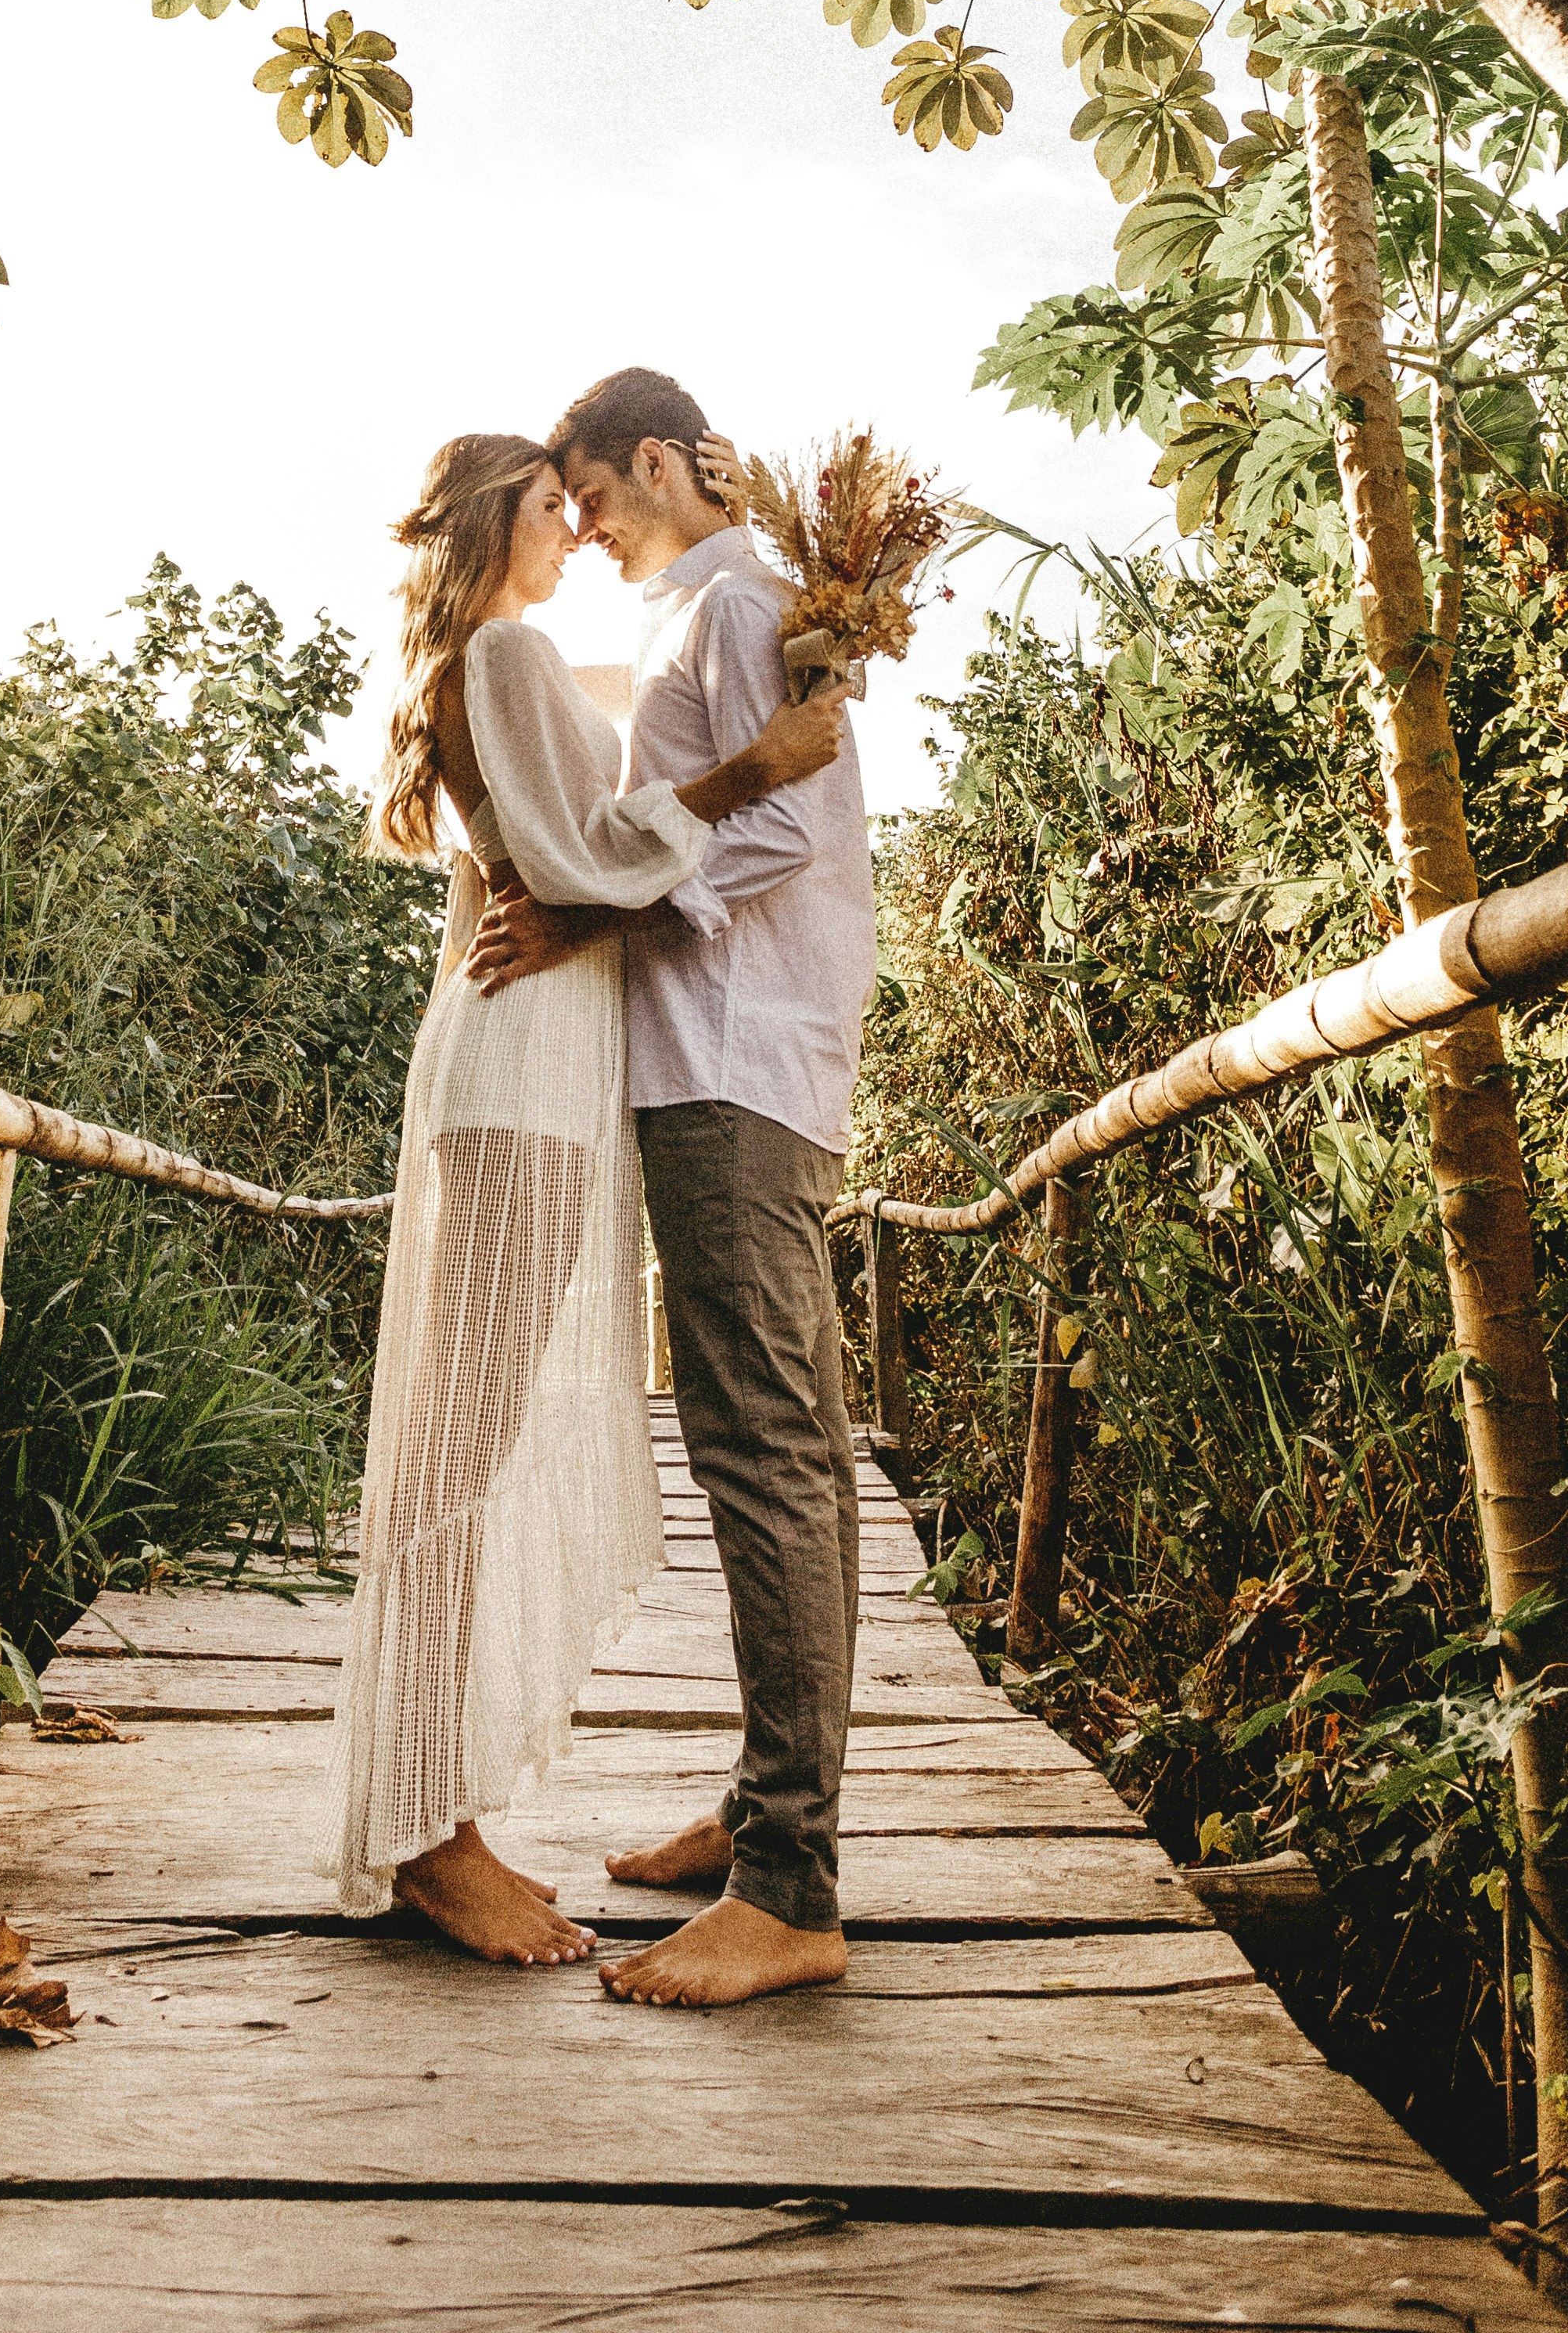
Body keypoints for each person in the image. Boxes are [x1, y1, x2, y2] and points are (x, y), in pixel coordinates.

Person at [324, 430, 843, 1964]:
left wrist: (809, 647)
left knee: (462, 1455)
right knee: (452, 1462)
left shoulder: (513, 664)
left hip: (539, 1092)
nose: (580, 526)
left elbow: (604, 792)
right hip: (517, 1099)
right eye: (558, 505)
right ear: (503, 516)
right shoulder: (502, 654)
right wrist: (754, 767)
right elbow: (586, 848)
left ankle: (440, 1817)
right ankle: (422, 1838)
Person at [471, 365, 876, 2012]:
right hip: (734, 1059)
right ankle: (766, 1812)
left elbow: (780, 829)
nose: (584, 528)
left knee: (764, 1453)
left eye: (596, 496)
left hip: (730, 1061)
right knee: (788, 1451)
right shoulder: (732, 598)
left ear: (659, 459)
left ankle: (791, 1886)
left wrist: (593, 914)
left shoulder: (735, 608)